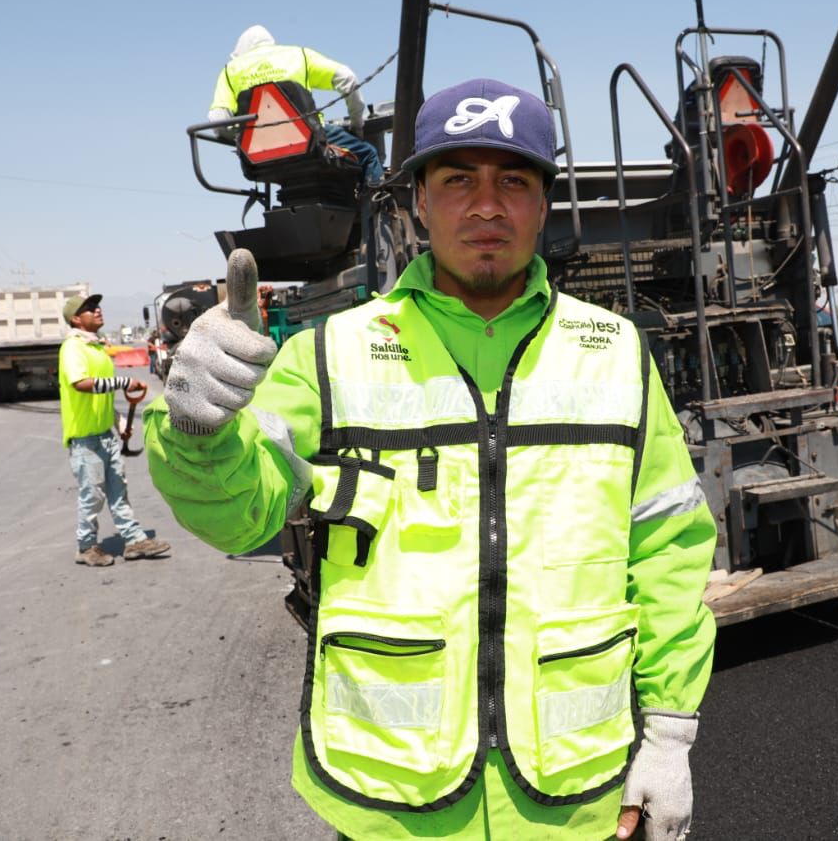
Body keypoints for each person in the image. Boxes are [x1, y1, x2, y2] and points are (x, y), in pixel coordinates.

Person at [146, 79, 716, 841]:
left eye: (514, 181)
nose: (486, 206)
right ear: (418, 200)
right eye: (457, 180)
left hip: (574, 796)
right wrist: (199, 431)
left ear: (544, 203)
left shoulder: (615, 355)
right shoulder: (330, 354)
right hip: (389, 801)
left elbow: (668, 547)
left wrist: (669, 733)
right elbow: (242, 513)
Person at [60, 294, 171, 568]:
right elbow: (80, 383)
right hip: (85, 439)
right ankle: (86, 546)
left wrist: (118, 421)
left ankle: (134, 540)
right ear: (76, 319)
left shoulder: (97, 349)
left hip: (104, 436)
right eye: (90, 308)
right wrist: (123, 382)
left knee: (118, 491)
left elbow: (101, 397)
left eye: (97, 306)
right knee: (92, 495)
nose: (97, 310)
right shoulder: (73, 347)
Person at [208, 25, 385, 185]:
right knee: (369, 154)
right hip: (310, 144)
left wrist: (243, 138)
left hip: (258, 156)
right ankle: (375, 202)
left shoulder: (230, 71)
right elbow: (348, 79)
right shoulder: (298, 55)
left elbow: (218, 121)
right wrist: (356, 127)